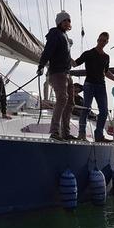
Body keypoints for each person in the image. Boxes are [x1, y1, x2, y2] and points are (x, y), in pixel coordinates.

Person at [72, 32, 114, 142]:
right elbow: (75, 63)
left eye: (104, 41)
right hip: (89, 84)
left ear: (107, 42)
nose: (102, 42)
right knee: (86, 109)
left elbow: (106, 72)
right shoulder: (88, 53)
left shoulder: (106, 57)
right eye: (101, 40)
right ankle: (81, 133)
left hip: (101, 85)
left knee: (104, 111)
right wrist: (65, 54)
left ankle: (99, 135)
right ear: (97, 40)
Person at [37, 10, 76, 141]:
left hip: (66, 73)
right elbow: (48, 51)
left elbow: (64, 54)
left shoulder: (64, 36)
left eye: (68, 20)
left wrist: (72, 61)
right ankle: (54, 131)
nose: (67, 22)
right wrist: (41, 65)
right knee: (62, 99)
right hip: (57, 73)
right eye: (64, 20)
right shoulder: (55, 34)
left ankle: (65, 132)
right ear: (59, 22)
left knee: (70, 102)